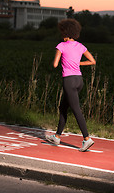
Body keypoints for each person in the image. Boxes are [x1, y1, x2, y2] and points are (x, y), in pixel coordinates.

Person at [46, 18, 96, 152]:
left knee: (76, 110)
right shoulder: (80, 46)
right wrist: (78, 63)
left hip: (69, 81)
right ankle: (56, 136)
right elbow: (92, 61)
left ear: (65, 32)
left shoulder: (61, 46)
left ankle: (87, 139)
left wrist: (61, 58)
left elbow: (55, 64)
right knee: (63, 107)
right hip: (79, 80)